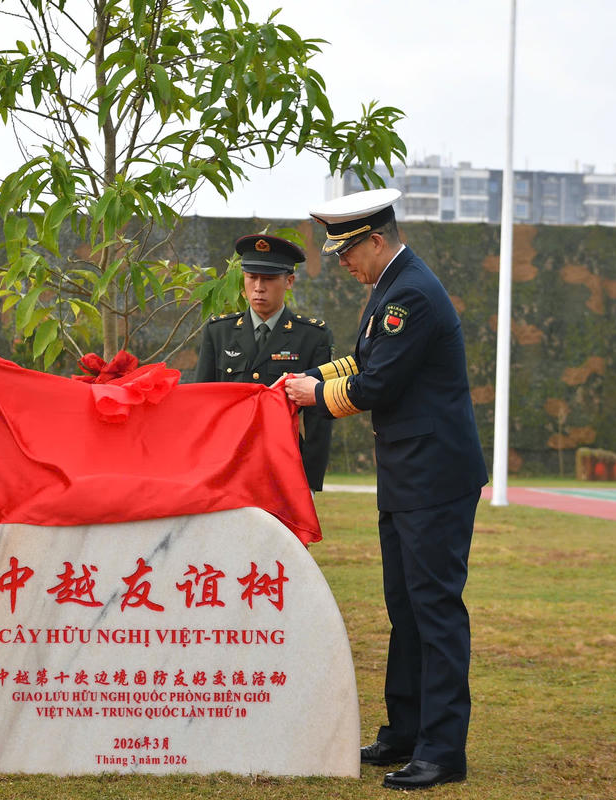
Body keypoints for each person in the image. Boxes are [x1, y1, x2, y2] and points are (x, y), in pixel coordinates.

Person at [283, 189, 488, 790]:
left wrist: (311, 397)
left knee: (436, 611)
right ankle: (405, 730)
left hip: (434, 479)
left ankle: (443, 750)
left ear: (377, 240)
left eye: (348, 252)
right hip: (408, 475)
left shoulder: (410, 296)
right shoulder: (389, 289)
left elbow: (376, 384)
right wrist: (307, 377)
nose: (343, 263)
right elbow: (361, 360)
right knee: (406, 608)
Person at [194, 233, 333, 490]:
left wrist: (310, 482)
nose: (258, 287)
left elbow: (318, 418)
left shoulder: (312, 337)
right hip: (225, 463)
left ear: (289, 281)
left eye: (268, 279)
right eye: (251, 277)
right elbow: (202, 404)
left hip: (282, 466)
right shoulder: (219, 332)